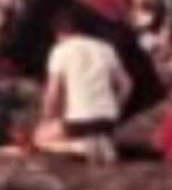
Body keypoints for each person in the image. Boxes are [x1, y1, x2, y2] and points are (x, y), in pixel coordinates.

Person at [37, 9, 130, 162]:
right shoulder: (105, 48)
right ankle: (101, 142)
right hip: (107, 119)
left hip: (79, 119)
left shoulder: (61, 51)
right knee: (93, 129)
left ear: (60, 32)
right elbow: (126, 85)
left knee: (40, 139)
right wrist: (116, 107)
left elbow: (52, 93)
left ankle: (81, 147)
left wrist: (46, 119)